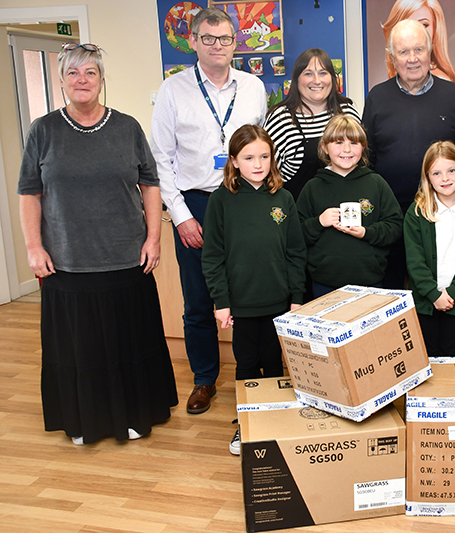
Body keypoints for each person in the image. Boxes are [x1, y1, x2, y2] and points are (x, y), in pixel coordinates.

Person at [17, 43, 178, 445]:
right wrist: (34, 247)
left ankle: (134, 415)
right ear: (62, 81)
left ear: (102, 80)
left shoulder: (126, 127)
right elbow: (29, 193)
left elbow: (150, 183)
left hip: (126, 258)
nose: (82, 80)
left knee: (130, 344)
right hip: (68, 263)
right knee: (80, 349)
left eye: (90, 73)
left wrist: (154, 237)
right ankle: (84, 421)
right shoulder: (43, 131)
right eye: (73, 73)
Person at [151, 7, 267, 416]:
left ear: (235, 43)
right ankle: (204, 380)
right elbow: (160, 159)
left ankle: (251, 376)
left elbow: (260, 148)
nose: (218, 46)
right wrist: (180, 214)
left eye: (225, 39)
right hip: (197, 203)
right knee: (199, 299)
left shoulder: (253, 87)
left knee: (248, 296)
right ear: (193, 41)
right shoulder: (173, 91)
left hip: (243, 200)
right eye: (209, 38)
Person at [202, 125, 306, 455]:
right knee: (246, 364)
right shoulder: (221, 200)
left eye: (264, 156)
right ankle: (247, 425)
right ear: (233, 161)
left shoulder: (284, 197)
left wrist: (297, 297)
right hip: (241, 304)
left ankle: (275, 422)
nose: (258, 164)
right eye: (249, 158)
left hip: (278, 302)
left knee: (274, 363)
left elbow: (296, 252)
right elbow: (213, 255)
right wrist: (221, 301)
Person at [363, 19, 455, 289]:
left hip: (440, 213)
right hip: (391, 214)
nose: (412, 59)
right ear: (391, 56)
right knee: (390, 289)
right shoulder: (377, 97)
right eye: (404, 51)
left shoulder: (454, 95)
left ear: (430, 51)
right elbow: (367, 157)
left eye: (419, 49)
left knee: (436, 289)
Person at [297, 115, 403, 297]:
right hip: (324, 282)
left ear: (363, 146)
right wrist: (319, 222)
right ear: (324, 147)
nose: (346, 149)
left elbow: (395, 227)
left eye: (354, 143)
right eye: (338, 142)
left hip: (370, 281)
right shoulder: (313, 187)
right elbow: (296, 234)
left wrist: (366, 233)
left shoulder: (376, 183)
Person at [404, 141, 455, 356]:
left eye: (451, 170)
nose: (445, 178)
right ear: (428, 178)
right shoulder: (417, 212)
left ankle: (447, 391)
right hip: (425, 300)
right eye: (436, 173)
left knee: (450, 351)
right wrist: (433, 294)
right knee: (426, 354)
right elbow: (415, 260)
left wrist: (453, 293)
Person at [264, 48, 360, 200]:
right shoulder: (281, 118)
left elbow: (362, 163)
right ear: (296, 80)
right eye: (308, 73)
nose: (317, 80)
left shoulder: (347, 111)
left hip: (346, 210)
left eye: (323, 73)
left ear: (333, 78)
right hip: (297, 215)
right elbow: (267, 175)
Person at [382, 0, 455, 85]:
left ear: (435, 28)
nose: (416, 32)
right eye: (408, 25)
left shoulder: (442, 83)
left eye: (423, 24)